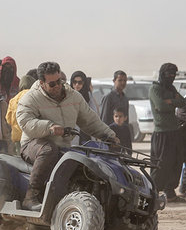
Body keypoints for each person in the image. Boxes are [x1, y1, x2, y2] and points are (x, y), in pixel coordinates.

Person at [16, 61, 117, 211]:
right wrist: (49, 127)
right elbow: (25, 122)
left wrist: (109, 136)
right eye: (52, 84)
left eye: (59, 81)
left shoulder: (73, 96)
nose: (57, 86)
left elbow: (90, 120)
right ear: (42, 83)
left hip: (63, 147)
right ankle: (31, 196)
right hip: (34, 144)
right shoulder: (31, 98)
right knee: (49, 150)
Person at [150, 63, 186, 202]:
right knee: (161, 164)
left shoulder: (171, 88)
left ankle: (170, 192)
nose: (171, 76)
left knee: (176, 162)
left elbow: (183, 102)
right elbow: (160, 105)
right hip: (162, 132)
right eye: (169, 73)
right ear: (162, 73)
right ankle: (153, 193)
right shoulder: (155, 89)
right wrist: (172, 102)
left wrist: (170, 100)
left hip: (174, 131)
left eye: (173, 74)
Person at [6, 75, 36, 155]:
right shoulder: (35, 96)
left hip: (18, 137)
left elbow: (8, 119)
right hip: (32, 136)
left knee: (20, 162)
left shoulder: (13, 100)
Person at [70, 70, 99, 144]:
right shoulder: (68, 96)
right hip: (72, 133)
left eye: (80, 82)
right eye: (74, 82)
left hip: (86, 133)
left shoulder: (88, 96)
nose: (77, 85)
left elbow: (95, 114)